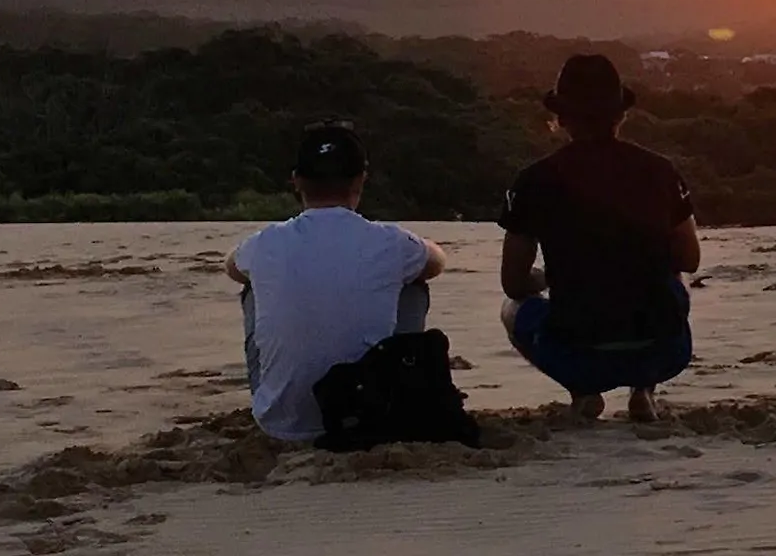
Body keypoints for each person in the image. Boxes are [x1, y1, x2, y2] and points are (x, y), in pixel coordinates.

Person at [499, 55, 701, 423]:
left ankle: (583, 390)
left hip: (575, 351)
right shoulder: (660, 171)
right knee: (674, 278)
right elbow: (689, 257)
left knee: (512, 308)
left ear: (561, 118)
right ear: (620, 115)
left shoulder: (533, 181)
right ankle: (644, 388)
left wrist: (548, 277)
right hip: (663, 350)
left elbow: (513, 282)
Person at [225, 120, 448, 442]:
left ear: (296, 181)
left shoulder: (266, 242)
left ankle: (287, 398)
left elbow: (232, 267)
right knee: (413, 283)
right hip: (373, 415)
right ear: (361, 179)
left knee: (251, 287)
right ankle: (397, 385)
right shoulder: (389, 241)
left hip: (281, 424)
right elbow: (437, 262)